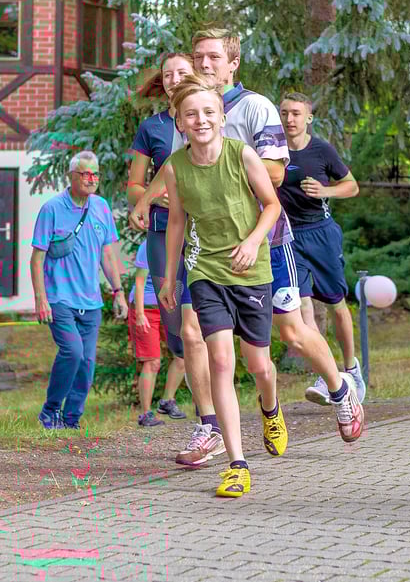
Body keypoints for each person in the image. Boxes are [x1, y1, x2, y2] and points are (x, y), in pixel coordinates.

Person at [131, 28, 364, 451]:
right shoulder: (191, 111)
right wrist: (148, 199)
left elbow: (275, 173)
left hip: (266, 242)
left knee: (290, 333)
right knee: (192, 332)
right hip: (208, 250)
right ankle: (210, 427)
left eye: (214, 57)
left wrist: (227, 156)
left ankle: (339, 387)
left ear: (233, 63)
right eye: (198, 57)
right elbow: (178, 169)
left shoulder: (254, 107)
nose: (204, 64)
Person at [159, 74, 282, 498]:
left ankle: (270, 407)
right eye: (191, 114)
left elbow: (272, 205)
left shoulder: (242, 155)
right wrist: (170, 275)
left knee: (259, 365)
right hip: (205, 270)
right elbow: (177, 221)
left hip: (250, 270)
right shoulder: (174, 168)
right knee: (222, 361)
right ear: (179, 122)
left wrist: (252, 241)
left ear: (222, 117)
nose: (201, 120)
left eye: (208, 112)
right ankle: (237, 464)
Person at [128, 53, 224, 459]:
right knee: (175, 330)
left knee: (196, 325)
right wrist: (151, 198)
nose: (173, 79)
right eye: (167, 74)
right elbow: (135, 186)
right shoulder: (152, 127)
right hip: (162, 230)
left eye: (181, 72)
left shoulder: (207, 116)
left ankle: (210, 422)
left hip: (203, 231)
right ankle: (208, 407)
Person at [274, 93, 365, 404]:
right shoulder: (273, 152)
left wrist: (326, 190)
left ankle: (351, 369)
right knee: (303, 307)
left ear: (308, 117)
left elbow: (352, 186)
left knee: (337, 304)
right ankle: (328, 375)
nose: (289, 119)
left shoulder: (322, 150)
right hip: (289, 238)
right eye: (284, 113)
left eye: (296, 113)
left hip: (321, 233)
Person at [31, 150, 129, 429]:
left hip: (91, 301)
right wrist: (41, 299)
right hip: (59, 298)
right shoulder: (52, 209)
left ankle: (71, 419)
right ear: (71, 176)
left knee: (86, 362)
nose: (91, 178)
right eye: (85, 173)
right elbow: (36, 259)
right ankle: (50, 410)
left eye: (95, 174)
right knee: (72, 352)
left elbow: (107, 254)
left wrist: (118, 292)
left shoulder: (101, 207)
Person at [128, 239, 188, 427]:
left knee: (183, 356)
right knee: (152, 362)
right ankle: (146, 414)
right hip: (146, 308)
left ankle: (167, 401)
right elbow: (139, 282)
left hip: (170, 307)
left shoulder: (183, 242)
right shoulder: (149, 245)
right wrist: (139, 314)